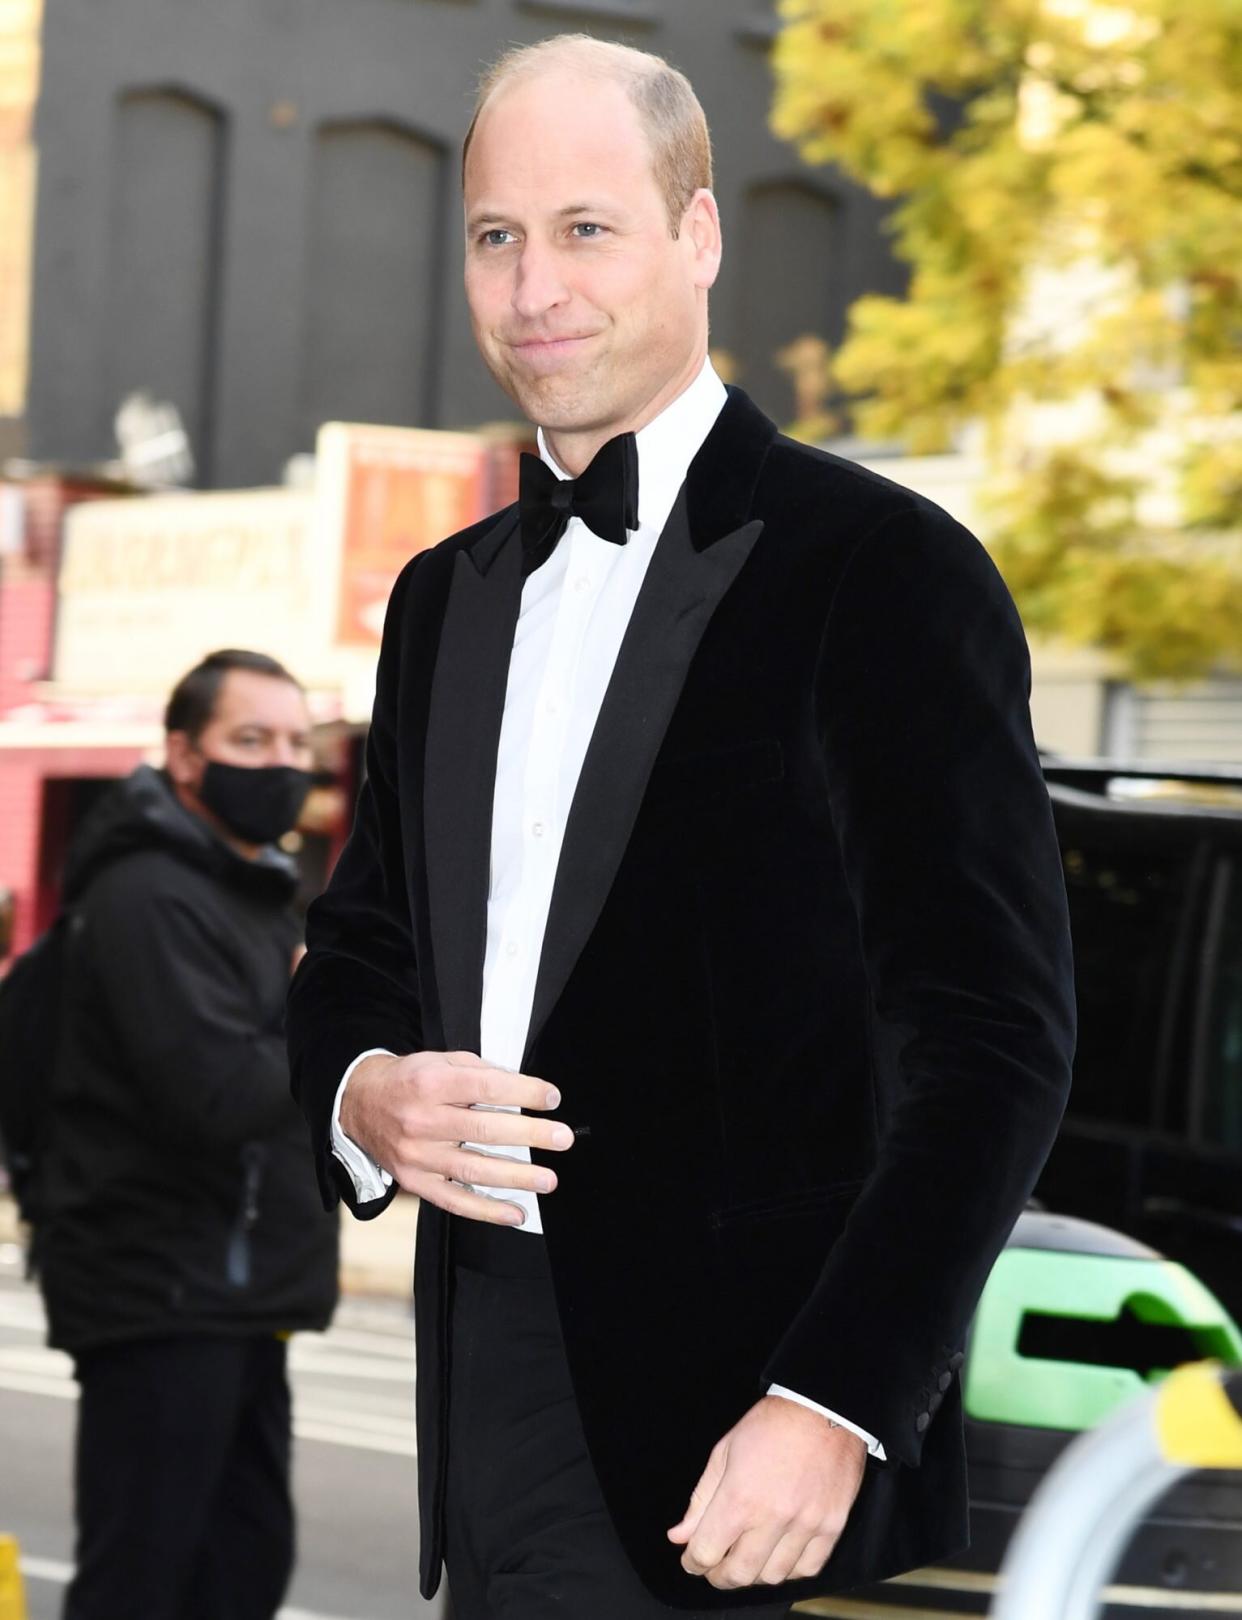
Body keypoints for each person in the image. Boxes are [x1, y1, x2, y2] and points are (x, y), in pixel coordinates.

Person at [287, 34, 1076, 1619]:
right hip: (481, 1396)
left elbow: (993, 1040)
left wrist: (833, 1404)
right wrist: (363, 1096)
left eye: (587, 228)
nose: (533, 288)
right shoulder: (442, 602)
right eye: (496, 237)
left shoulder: (880, 568)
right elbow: (357, 948)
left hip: (749, 1438)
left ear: (698, 236)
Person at [39, 649, 339, 1620]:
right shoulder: (149, 896)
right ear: (183, 754)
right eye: (249, 740)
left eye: (296, 741)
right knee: (146, 1579)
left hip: (238, 1289)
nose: (280, 762)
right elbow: (213, 1094)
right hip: (165, 1289)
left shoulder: (249, 890)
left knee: (241, 1567)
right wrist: (319, 1020)